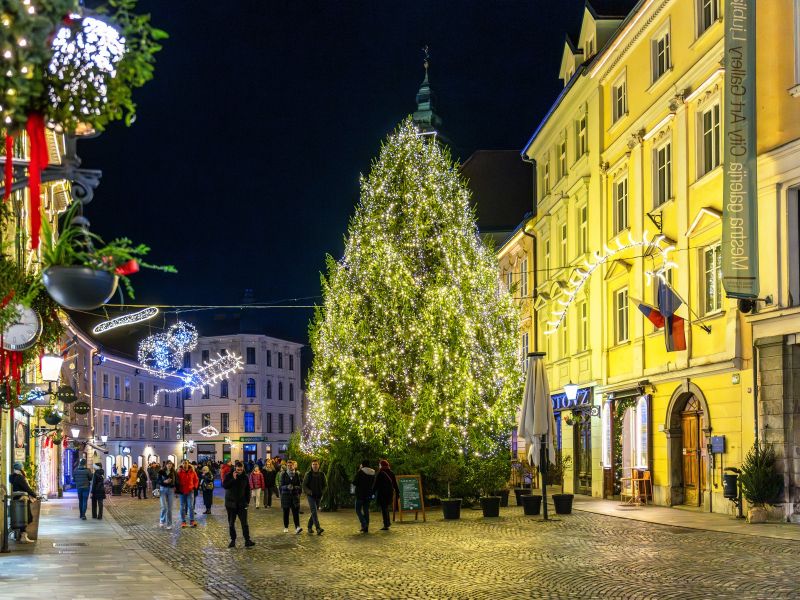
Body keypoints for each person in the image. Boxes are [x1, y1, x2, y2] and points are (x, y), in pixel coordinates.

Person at [222, 460, 254, 548]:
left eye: (241, 469)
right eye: (238, 469)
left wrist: (247, 501)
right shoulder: (229, 475)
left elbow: (248, 490)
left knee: (244, 523)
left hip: (242, 504)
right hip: (231, 504)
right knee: (231, 523)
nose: (239, 471)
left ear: (243, 469)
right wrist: (233, 479)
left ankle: (247, 540)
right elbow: (225, 486)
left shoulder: (245, 477)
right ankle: (233, 540)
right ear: (235, 468)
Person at [9, 462, 37, 543]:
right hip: (22, 500)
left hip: (16, 499)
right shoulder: (20, 477)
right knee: (27, 517)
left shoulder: (12, 477)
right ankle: (23, 536)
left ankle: (19, 536)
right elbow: (27, 488)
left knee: (20, 518)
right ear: (21, 468)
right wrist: (35, 495)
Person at [302, 459, 326, 535]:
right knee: (314, 511)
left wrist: (322, 492)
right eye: (313, 464)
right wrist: (309, 492)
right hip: (311, 496)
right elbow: (304, 485)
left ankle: (309, 526)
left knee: (314, 512)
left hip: (319, 495)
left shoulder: (322, 474)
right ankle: (318, 528)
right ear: (311, 466)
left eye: (316, 464)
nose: (315, 466)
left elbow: (325, 485)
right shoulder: (308, 474)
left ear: (318, 465)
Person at [374, 459, 400, 531]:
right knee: (386, 508)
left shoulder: (380, 473)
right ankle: (387, 523)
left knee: (384, 508)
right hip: (389, 493)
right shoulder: (391, 472)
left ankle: (386, 524)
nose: (379, 466)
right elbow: (395, 484)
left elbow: (376, 484)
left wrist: (372, 492)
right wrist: (398, 493)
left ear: (381, 465)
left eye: (379, 465)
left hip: (382, 493)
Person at [352, 460, 376, 533]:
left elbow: (354, 482)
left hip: (360, 494)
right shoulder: (373, 473)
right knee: (366, 510)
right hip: (368, 494)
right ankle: (366, 528)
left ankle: (364, 523)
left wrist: (359, 470)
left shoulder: (360, 472)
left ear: (362, 465)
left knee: (358, 510)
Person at [280, 460, 302, 534]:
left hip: (294, 496)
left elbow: (299, 486)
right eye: (288, 466)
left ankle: (297, 527)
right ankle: (286, 527)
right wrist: (287, 487)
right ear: (286, 466)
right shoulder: (283, 474)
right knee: (286, 512)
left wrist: (295, 488)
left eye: (291, 465)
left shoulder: (296, 474)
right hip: (285, 496)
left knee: (295, 512)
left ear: (293, 466)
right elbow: (281, 486)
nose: (290, 467)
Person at [176, 459, 199, 528]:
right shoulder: (179, 472)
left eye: (186, 463)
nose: (185, 464)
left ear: (188, 464)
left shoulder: (192, 471)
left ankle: (192, 520)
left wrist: (195, 487)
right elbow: (176, 482)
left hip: (190, 491)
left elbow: (196, 480)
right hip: (182, 491)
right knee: (182, 507)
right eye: (183, 463)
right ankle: (183, 521)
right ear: (181, 464)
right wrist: (177, 490)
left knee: (191, 506)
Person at [157, 461, 177, 528]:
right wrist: (164, 481)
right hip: (163, 489)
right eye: (168, 464)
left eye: (171, 464)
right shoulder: (161, 471)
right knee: (164, 507)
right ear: (165, 465)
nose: (169, 465)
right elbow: (158, 480)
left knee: (169, 508)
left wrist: (175, 486)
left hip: (171, 490)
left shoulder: (174, 472)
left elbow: (176, 480)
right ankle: (162, 521)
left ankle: (169, 524)